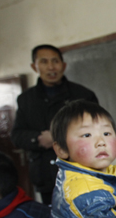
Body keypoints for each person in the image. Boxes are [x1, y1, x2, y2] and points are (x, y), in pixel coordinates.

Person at [11, 44, 99, 205]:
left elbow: (98, 130)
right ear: (34, 67)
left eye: (55, 61)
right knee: (53, 216)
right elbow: (17, 136)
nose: (51, 67)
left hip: (81, 170)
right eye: (44, 62)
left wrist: (60, 136)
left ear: (63, 65)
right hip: (45, 174)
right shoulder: (26, 99)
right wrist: (38, 139)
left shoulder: (83, 95)